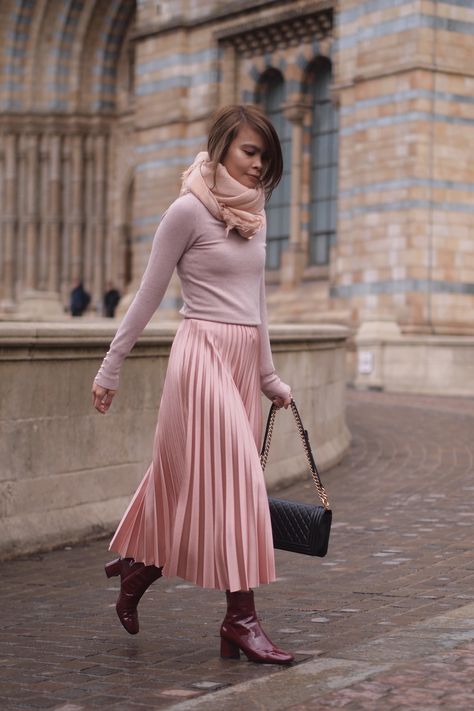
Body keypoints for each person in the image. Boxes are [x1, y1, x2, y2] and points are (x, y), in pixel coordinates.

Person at [92, 104, 293, 665]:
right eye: (250, 152)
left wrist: (268, 375)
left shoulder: (257, 216)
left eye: (266, 158)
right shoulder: (186, 211)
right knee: (240, 487)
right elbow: (148, 295)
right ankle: (241, 620)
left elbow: (258, 304)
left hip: (239, 357)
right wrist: (112, 365)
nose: (258, 167)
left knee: (193, 487)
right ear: (224, 144)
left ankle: (137, 571)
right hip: (200, 354)